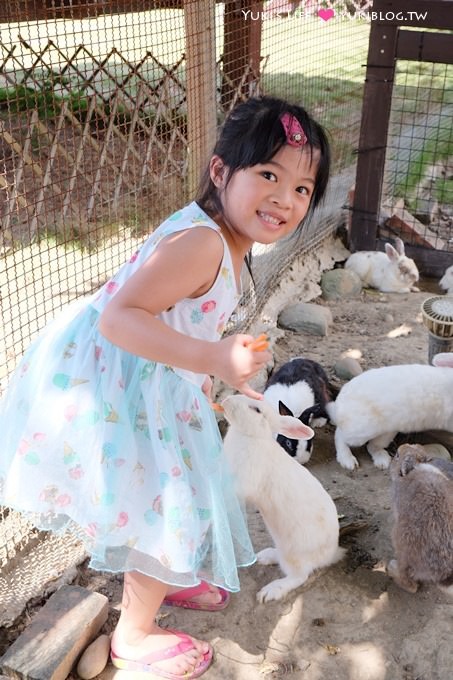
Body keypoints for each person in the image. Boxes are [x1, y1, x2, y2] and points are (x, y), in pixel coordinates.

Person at [0, 96, 330, 678]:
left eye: (303, 189)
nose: (285, 198)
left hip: (147, 376)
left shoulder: (225, 238)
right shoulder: (203, 244)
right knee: (167, 503)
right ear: (221, 171)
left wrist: (201, 373)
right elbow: (119, 317)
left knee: (170, 498)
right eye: (269, 175)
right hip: (117, 384)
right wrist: (208, 356)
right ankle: (134, 634)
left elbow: (171, 317)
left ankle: (162, 583)